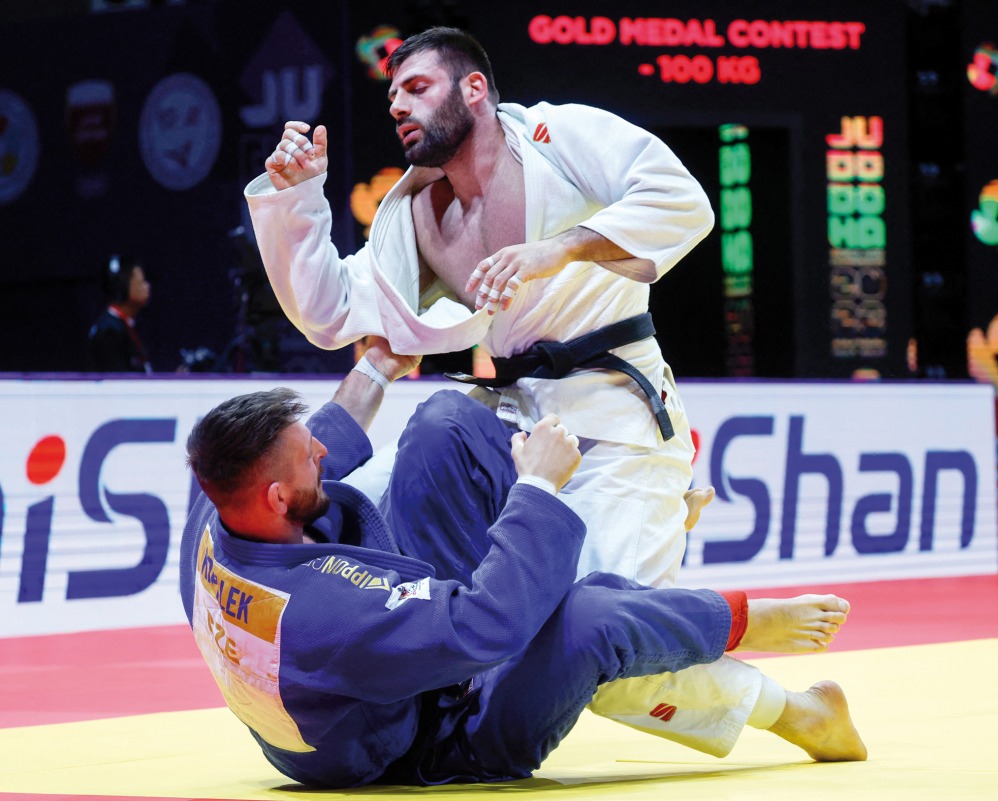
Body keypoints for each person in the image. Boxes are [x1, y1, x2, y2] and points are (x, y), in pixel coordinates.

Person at [244, 26, 789, 755]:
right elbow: (331, 310)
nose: (398, 107)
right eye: (392, 96)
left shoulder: (556, 135)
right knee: (388, 480)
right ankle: (436, 685)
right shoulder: (416, 215)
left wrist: (560, 248)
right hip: (515, 424)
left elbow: (683, 202)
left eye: (417, 88)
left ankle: (789, 704)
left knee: (608, 659)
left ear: (474, 89)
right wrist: (296, 199)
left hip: (613, 421)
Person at [178, 338, 866, 788]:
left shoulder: (215, 514)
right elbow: (488, 627)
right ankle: (762, 657)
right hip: (439, 737)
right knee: (589, 615)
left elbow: (328, 432)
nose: (321, 454)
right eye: (306, 462)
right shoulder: (326, 612)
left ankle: (612, 548)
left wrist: (380, 361)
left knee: (444, 423)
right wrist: (537, 485)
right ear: (275, 497)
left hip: (369, 681)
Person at [87, 254, 151, 372]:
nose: (147, 287)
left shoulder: (126, 325)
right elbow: (119, 385)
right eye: (141, 282)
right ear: (122, 288)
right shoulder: (109, 332)